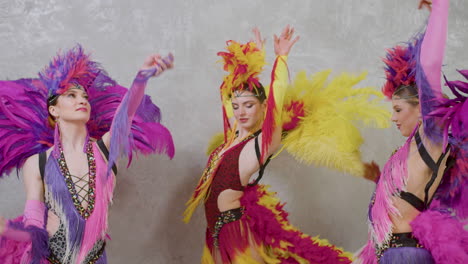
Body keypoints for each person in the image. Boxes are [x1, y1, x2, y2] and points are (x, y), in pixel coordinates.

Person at [183, 25, 360, 264]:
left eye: (249, 106)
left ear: (263, 108)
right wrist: (251, 63)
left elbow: (276, 96)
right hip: (214, 234)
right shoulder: (231, 138)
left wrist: (281, 57)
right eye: (237, 107)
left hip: (234, 234)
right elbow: (227, 94)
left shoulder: (260, 144)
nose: (241, 112)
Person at [0, 45, 175, 263]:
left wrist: (141, 77)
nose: (81, 100)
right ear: (54, 110)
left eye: (84, 96)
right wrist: (6, 229)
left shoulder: (104, 150)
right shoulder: (38, 163)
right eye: (71, 95)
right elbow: (34, 232)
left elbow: (126, 114)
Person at [357, 0, 468, 263]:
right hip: (392, 254)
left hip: (406, 255)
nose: (393, 118)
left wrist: (441, 7)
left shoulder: (430, 138)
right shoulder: (409, 151)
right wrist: (379, 181)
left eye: (398, 109)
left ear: (422, 110)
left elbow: (428, 66)